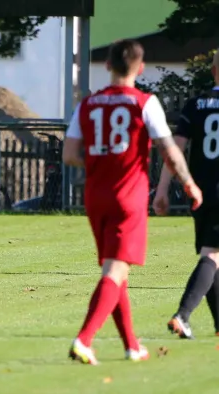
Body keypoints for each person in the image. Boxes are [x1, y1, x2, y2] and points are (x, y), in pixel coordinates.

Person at [62, 39, 203, 365]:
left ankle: (131, 346)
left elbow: (70, 155)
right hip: (129, 195)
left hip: (96, 196)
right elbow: (170, 151)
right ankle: (84, 340)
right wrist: (189, 183)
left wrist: (100, 161)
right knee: (115, 269)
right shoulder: (144, 102)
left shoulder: (88, 104)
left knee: (116, 268)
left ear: (108, 66)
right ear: (140, 68)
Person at [153, 49, 219, 339]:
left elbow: (174, 150)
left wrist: (163, 188)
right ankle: (183, 315)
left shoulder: (195, 105)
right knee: (213, 255)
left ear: (213, 72)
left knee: (212, 253)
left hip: (200, 191)